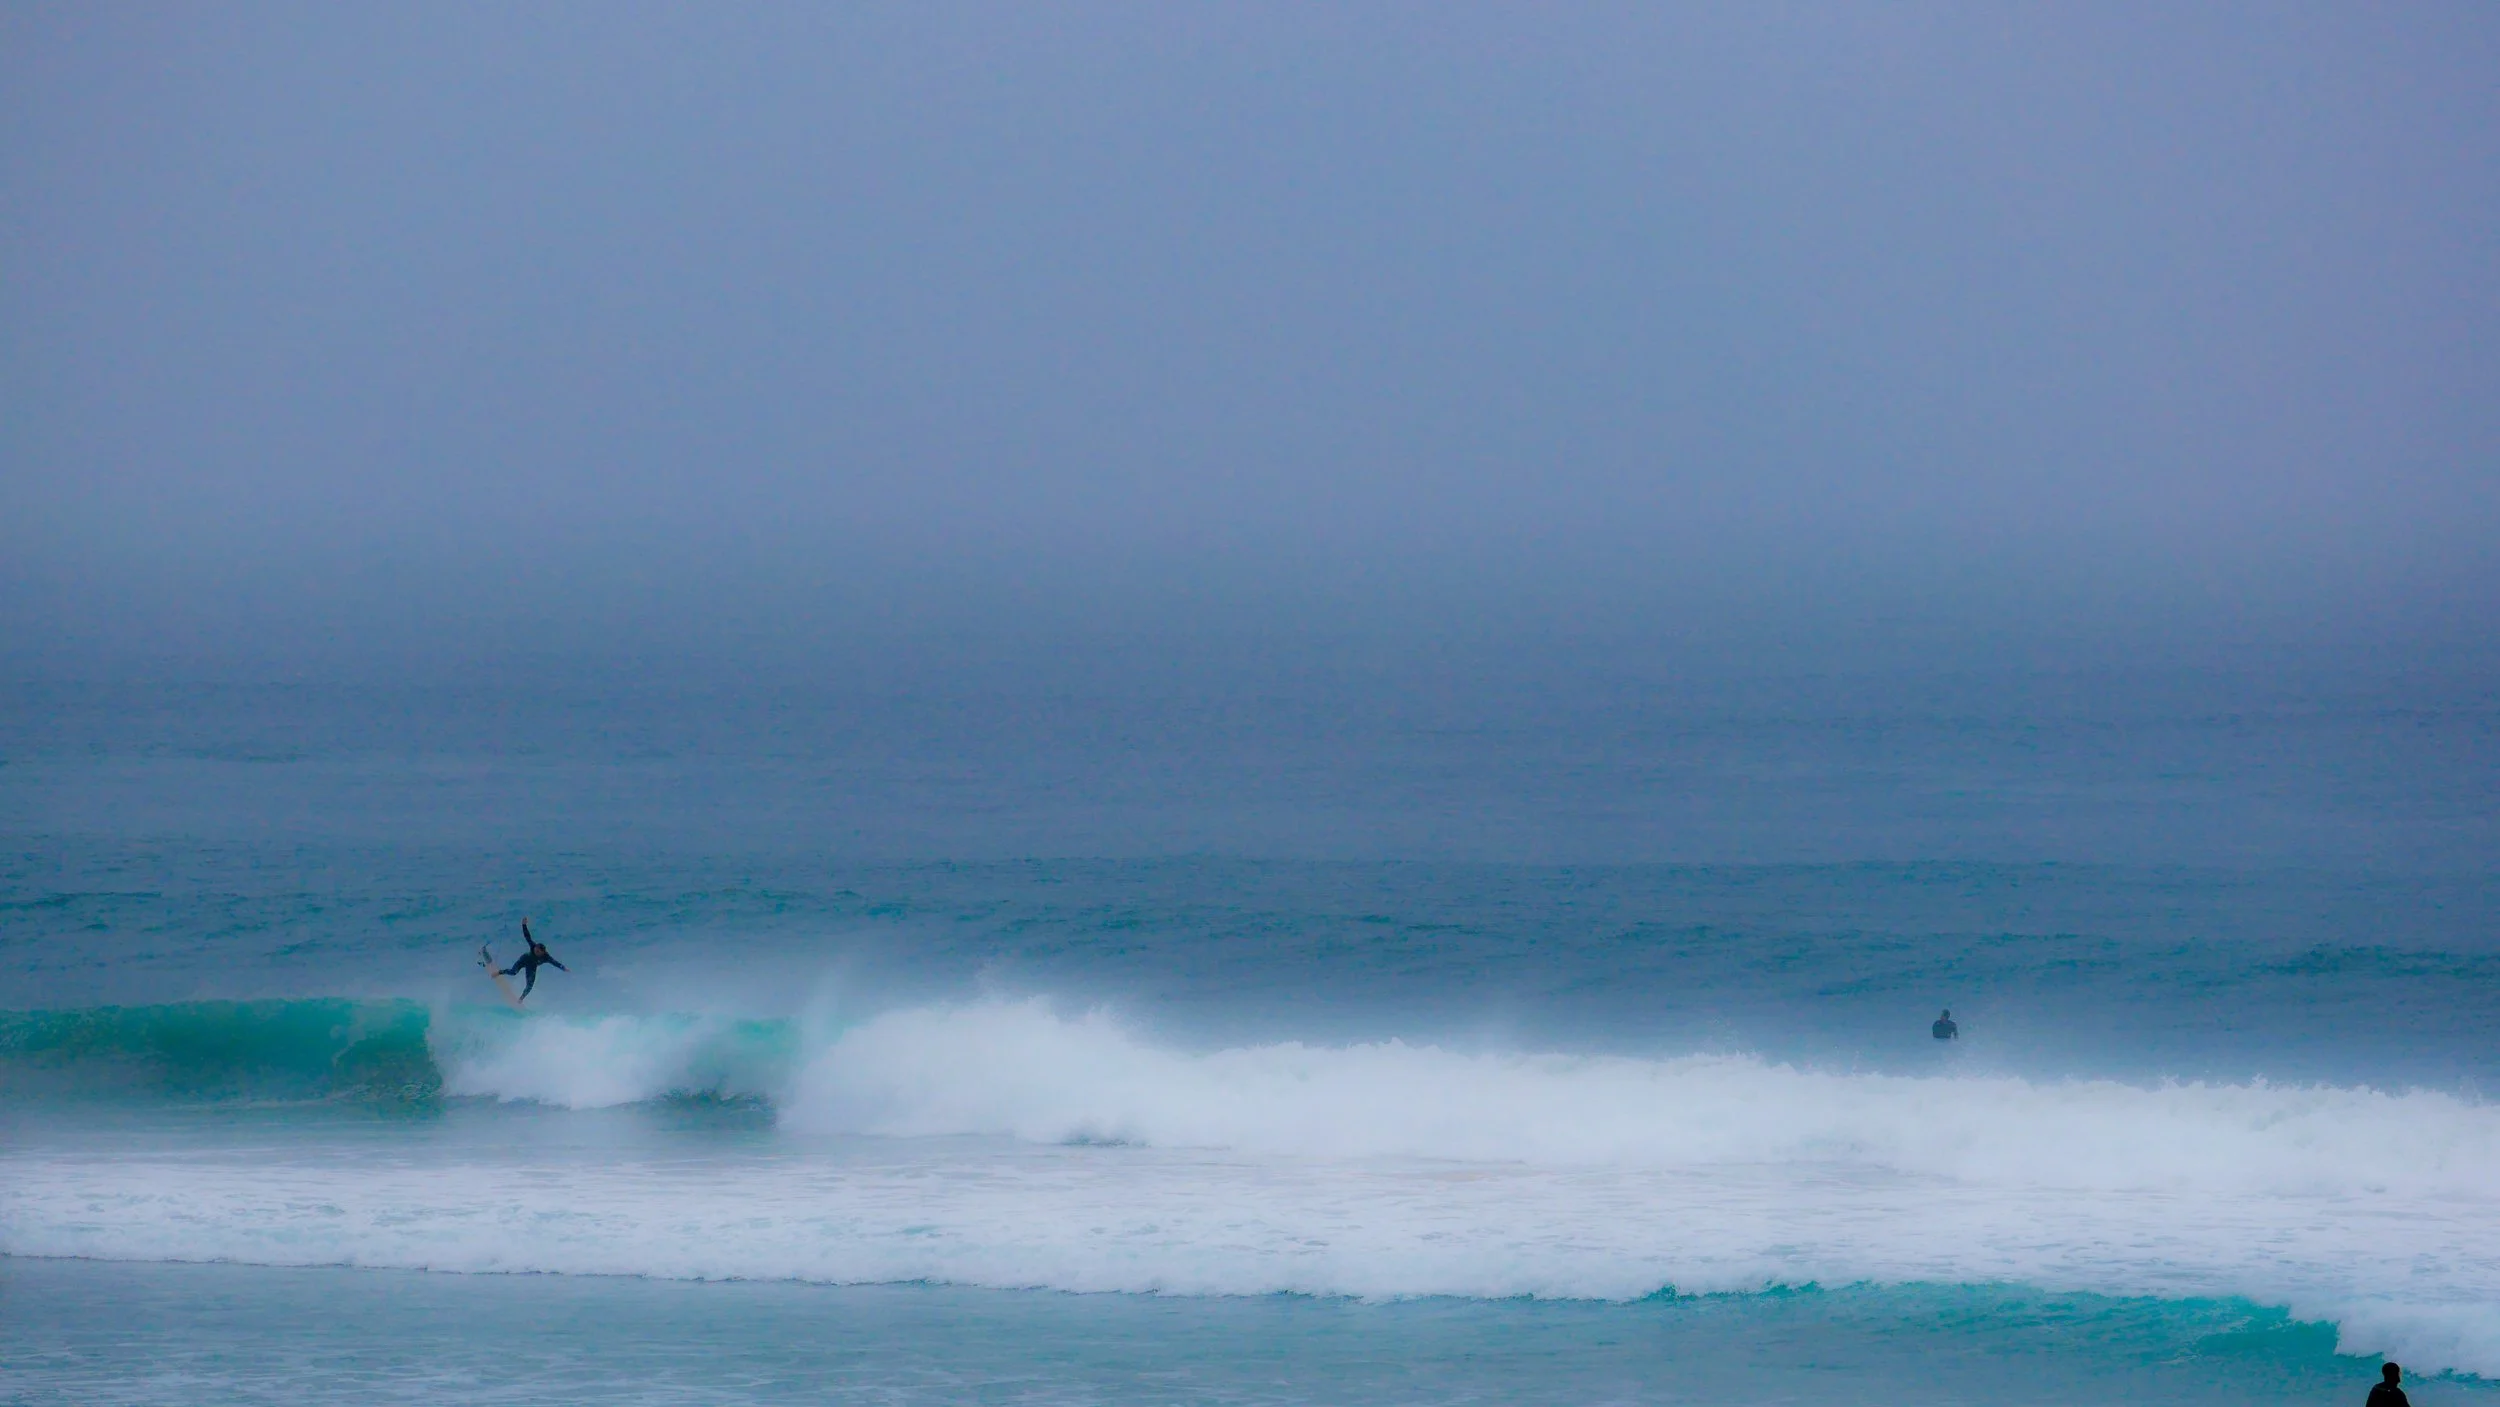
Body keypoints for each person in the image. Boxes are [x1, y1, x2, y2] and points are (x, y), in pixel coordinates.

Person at [494, 918, 568, 1002]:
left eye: (538, 951)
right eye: (535, 949)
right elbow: (527, 936)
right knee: (513, 972)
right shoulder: (533, 946)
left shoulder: (546, 957)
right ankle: (500, 972)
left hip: (532, 966)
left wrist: (563, 968)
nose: (535, 951)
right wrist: (524, 925)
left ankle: (521, 998)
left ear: (542, 952)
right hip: (524, 959)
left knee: (529, 985)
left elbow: (555, 963)